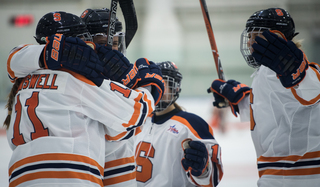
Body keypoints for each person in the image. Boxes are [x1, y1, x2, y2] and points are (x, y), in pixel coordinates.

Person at [4, 11, 164, 187]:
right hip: (70, 176)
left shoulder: (24, 79)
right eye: (93, 42)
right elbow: (133, 114)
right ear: (73, 45)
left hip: (20, 177)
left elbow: (16, 58)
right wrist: (148, 85)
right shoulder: (80, 81)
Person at [209, 8, 320, 186]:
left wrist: (297, 70)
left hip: (300, 177)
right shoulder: (266, 72)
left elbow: (311, 93)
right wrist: (240, 99)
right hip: (276, 175)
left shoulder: (297, 69)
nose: (249, 43)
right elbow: (271, 108)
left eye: (254, 36)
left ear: (274, 36)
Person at [134, 61, 223, 187]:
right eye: (153, 85)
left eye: (163, 84)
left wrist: (203, 169)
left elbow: (212, 179)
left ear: (174, 88)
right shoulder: (138, 122)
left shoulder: (192, 124)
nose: (158, 90)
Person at [80, 8, 135, 187]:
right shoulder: (74, 78)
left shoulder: (124, 74)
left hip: (120, 165)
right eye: (103, 42)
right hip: (84, 167)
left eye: (115, 43)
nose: (112, 50)